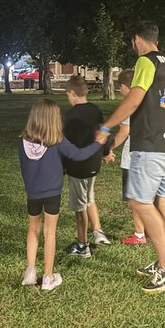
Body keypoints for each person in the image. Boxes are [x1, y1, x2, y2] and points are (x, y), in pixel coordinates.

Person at [96, 21, 165, 295]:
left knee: (139, 202)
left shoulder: (146, 61)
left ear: (137, 39)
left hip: (150, 143)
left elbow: (134, 100)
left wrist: (105, 128)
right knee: (162, 201)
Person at [19, 99, 106, 291]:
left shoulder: (24, 141)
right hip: (52, 193)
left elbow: (23, 167)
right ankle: (48, 277)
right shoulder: (57, 140)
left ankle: (30, 271)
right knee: (50, 232)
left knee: (33, 229)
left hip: (32, 193)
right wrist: (98, 143)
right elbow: (78, 155)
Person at [62, 74, 111, 258]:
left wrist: (61, 165)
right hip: (94, 163)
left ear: (72, 93)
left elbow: (66, 145)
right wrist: (106, 152)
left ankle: (82, 245)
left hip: (78, 167)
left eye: (68, 95)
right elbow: (102, 132)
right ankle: (97, 231)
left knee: (79, 206)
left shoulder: (70, 116)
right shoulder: (95, 110)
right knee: (89, 198)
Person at [103, 68, 147, 245]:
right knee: (148, 196)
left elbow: (124, 132)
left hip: (132, 157)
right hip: (148, 154)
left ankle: (139, 234)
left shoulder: (130, 104)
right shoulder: (147, 101)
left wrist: (108, 148)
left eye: (120, 87)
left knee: (134, 199)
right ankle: (152, 229)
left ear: (124, 87)